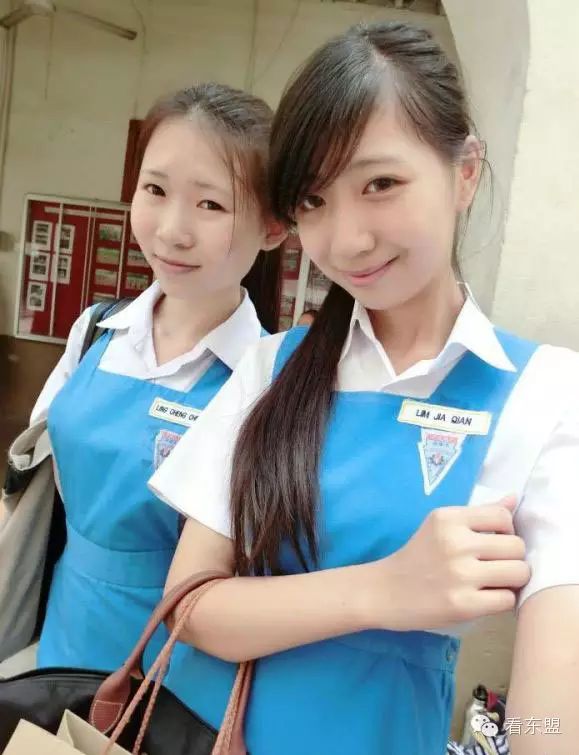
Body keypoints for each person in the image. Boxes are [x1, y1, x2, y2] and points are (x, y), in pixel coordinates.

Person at [149, 23, 579, 755]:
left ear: (465, 171)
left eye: (380, 184)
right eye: (313, 201)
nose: (346, 240)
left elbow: (550, 724)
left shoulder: (545, 394)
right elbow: (188, 607)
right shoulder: (272, 370)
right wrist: (385, 589)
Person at [30, 82, 284, 671]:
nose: (172, 229)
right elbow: (32, 481)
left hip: (182, 662)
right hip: (65, 627)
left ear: (274, 228)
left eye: (211, 204)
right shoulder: (95, 332)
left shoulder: (270, 378)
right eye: (156, 189)